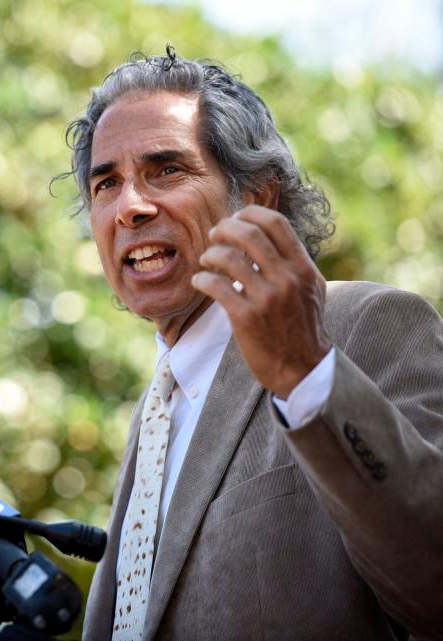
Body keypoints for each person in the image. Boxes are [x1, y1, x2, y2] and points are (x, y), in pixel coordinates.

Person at [63, 48, 443, 641]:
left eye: (167, 169)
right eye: (106, 183)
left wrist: (306, 376)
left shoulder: (364, 323)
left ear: (258, 199)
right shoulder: (154, 411)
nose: (130, 207)